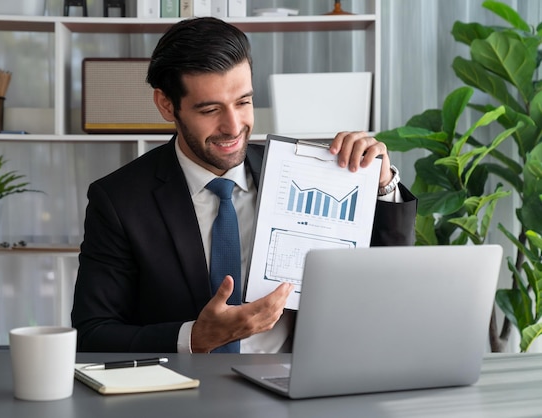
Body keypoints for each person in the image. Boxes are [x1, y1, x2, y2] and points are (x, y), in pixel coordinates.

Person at [71, 17, 417, 353]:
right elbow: (93, 334)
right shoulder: (118, 200)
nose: (234, 127)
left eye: (244, 102)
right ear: (166, 104)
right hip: (183, 396)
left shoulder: (303, 173)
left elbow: (389, 288)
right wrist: (194, 338)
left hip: (296, 386)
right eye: (210, 110)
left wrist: (383, 184)